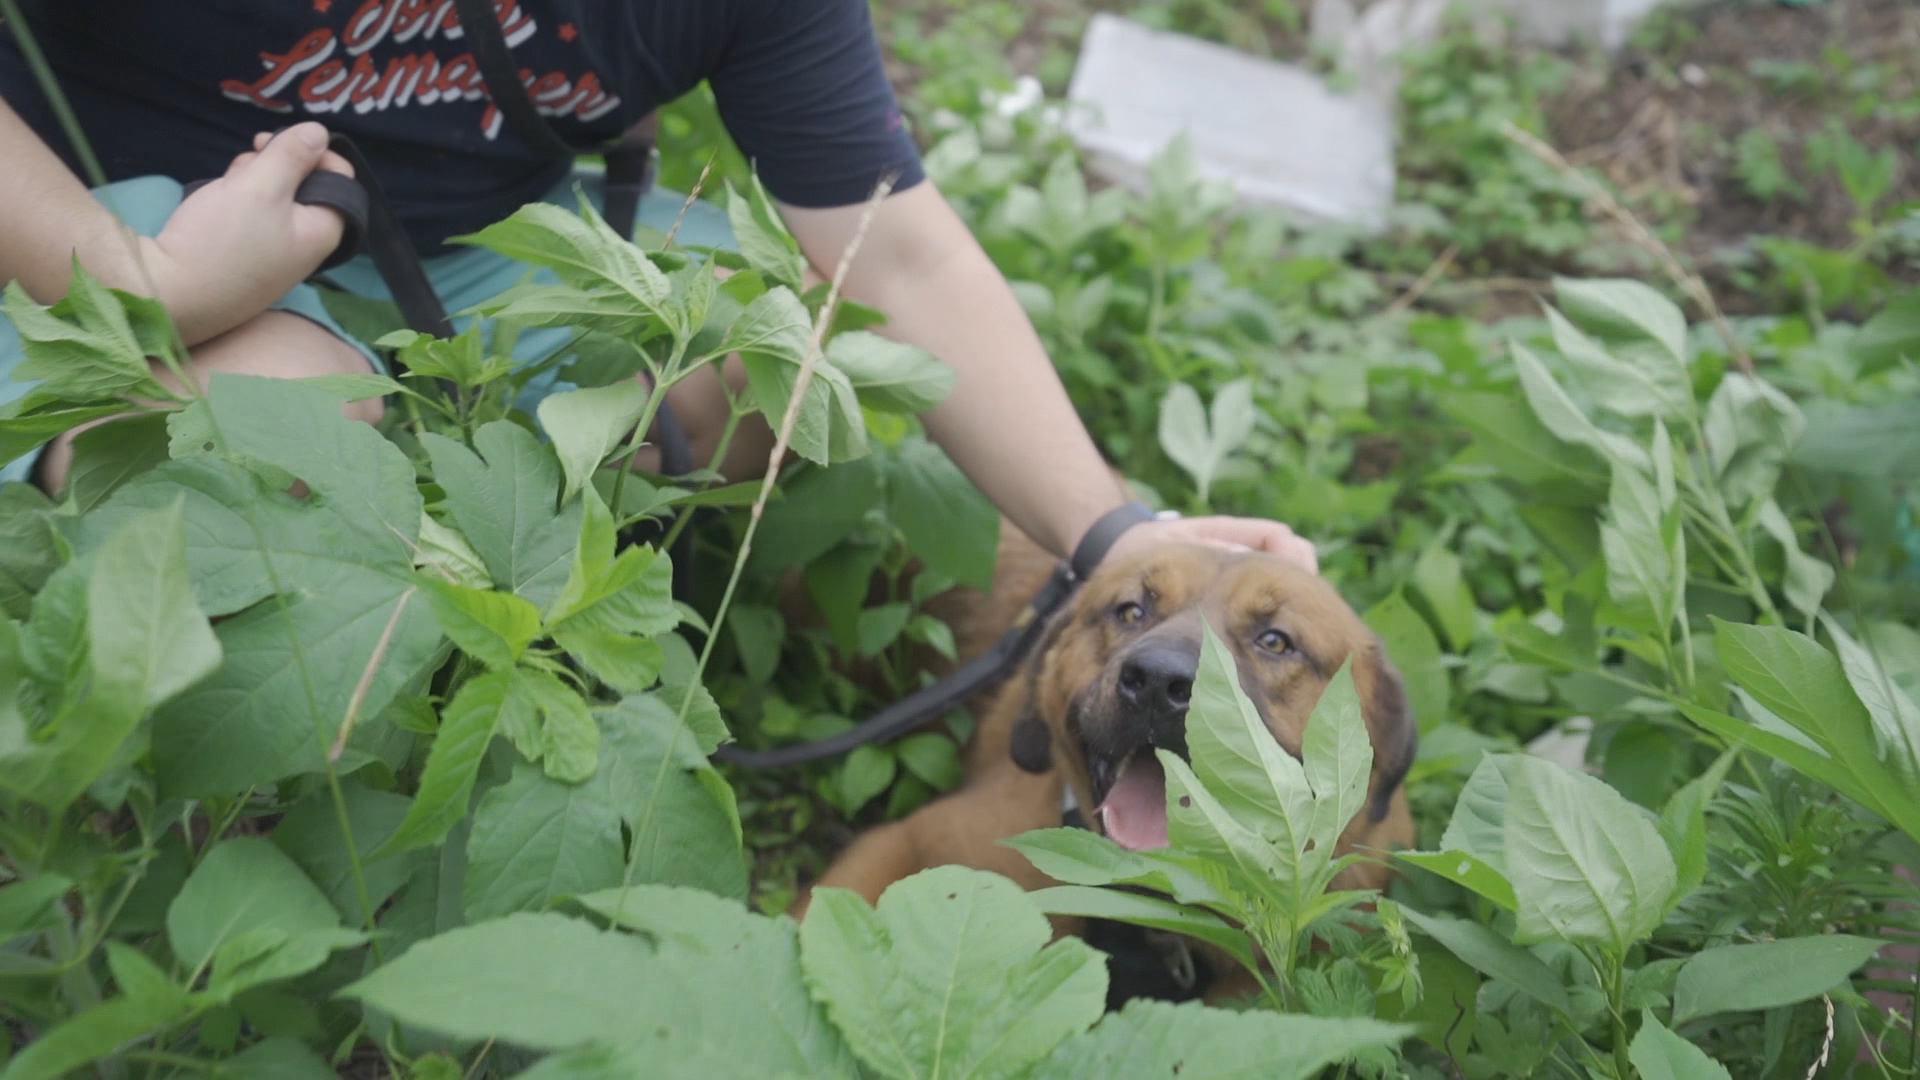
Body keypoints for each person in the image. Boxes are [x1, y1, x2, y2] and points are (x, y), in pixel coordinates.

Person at [0, 0, 1316, 576]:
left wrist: (1115, 533)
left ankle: (556, 581)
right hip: (123, 235)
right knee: (279, 449)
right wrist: (142, 281)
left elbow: (897, 254)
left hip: (483, 252)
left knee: (807, 345)